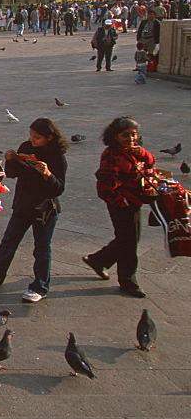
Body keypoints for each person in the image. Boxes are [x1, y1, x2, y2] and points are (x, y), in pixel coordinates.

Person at [0, 118, 68, 302]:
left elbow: (59, 189)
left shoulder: (57, 156)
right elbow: (14, 173)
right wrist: (11, 160)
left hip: (44, 208)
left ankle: (40, 286)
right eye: (31, 136)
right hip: (23, 203)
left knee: (41, 248)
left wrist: (47, 174)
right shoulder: (26, 146)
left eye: (37, 138)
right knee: (9, 241)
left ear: (49, 138)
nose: (32, 140)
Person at [83, 116, 156, 298]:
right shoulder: (112, 154)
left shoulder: (135, 151)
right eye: (126, 135)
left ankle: (98, 260)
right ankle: (128, 281)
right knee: (129, 242)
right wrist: (120, 201)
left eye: (134, 135)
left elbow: (150, 162)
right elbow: (106, 185)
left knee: (128, 239)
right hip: (121, 203)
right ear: (116, 136)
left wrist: (141, 153)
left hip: (134, 201)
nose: (131, 139)